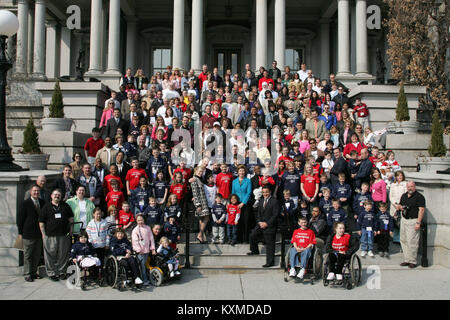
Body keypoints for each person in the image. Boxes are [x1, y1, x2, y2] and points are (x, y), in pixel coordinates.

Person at [38, 189, 74, 281]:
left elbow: (71, 219)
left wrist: (71, 230)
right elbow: (41, 222)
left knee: (63, 254)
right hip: (50, 236)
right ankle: (51, 273)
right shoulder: (46, 207)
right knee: (50, 255)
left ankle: (62, 272)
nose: (57, 196)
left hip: (63, 235)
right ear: (51, 196)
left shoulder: (65, 206)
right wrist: (43, 234)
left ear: (61, 196)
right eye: (55, 194)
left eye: (59, 194)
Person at [17, 185, 45, 282]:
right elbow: (20, 219)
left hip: (39, 233)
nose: (36, 192)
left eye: (38, 191)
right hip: (28, 233)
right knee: (28, 255)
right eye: (34, 191)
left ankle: (34, 272)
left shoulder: (42, 202)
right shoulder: (25, 203)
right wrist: (20, 232)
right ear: (30, 192)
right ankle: (27, 273)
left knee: (37, 254)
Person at [396, 181, 426, 268]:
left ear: (414, 187)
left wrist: (418, 222)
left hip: (413, 221)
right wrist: (399, 207)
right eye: (408, 186)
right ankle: (407, 259)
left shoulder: (419, 197)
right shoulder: (404, 196)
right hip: (404, 220)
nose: (410, 188)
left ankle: (413, 261)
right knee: (403, 240)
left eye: (411, 186)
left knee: (412, 242)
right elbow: (401, 206)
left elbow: (421, 210)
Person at [248, 186, 279, 268]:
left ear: (270, 192)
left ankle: (270, 262)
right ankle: (255, 250)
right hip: (261, 224)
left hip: (270, 226)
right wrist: (259, 222)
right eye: (263, 192)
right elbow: (258, 213)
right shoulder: (261, 200)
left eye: (266, 192)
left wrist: (267, 224)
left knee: (270, 245)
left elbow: (275, 215)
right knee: (252, 235)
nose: (265, 194)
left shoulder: (275, 201)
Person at [132, 214, 156, 286]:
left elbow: (151, 239)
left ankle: (147, 278)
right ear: (136, 221)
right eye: (138, 220)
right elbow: (135, 241)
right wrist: (138, 249)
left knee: (145, 265)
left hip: (147, 250)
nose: (140, 222)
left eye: (141, 220)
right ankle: (144, 279)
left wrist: (153, 249)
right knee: (142, 266)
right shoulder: (135, 230)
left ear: (144, 220)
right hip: (140, 252)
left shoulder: (147, 228)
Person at [231, 165, 252, 243]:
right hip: (237, 203)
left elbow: (249, 192)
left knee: (246, 221)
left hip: (245, 203)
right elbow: (233, 193)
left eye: (243, 171)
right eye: (240, 171)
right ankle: (238, 238)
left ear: (245, 172)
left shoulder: (248, 181)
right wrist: (234, 202)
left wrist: (243, 203)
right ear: (238, 172)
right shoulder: (234, 181)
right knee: (238, 221)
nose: (241, 172)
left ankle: (246, 239)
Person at [190, 166, 210, 243]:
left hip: (203, 201)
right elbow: (195, 193)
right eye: (199, 171)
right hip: (200, 202)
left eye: (201, 171)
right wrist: (198, 205)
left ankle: (201, 236)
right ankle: (200, 234)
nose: (200, 172)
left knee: (202, 219)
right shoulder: (194, 179)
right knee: (206, 217)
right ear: (195, 171)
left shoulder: (198, 179)